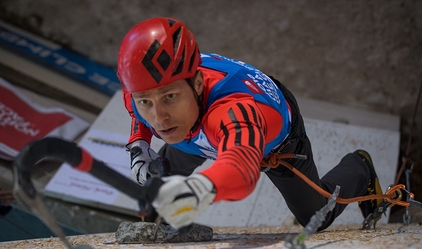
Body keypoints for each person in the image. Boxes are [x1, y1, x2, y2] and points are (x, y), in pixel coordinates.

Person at [117, 17, 384, 231]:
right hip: (199, 124)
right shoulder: (139, 89)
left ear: (198, 84)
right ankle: (159, 218)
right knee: (157, 189)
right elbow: (134, 105)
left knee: (317, 216)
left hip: (275, 142)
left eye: (170, 97)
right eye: (145, 102)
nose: (158, 118)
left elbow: (241, 169)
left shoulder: (234, 110)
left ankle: (360, 167)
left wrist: (200, 189)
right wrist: (138, 142)